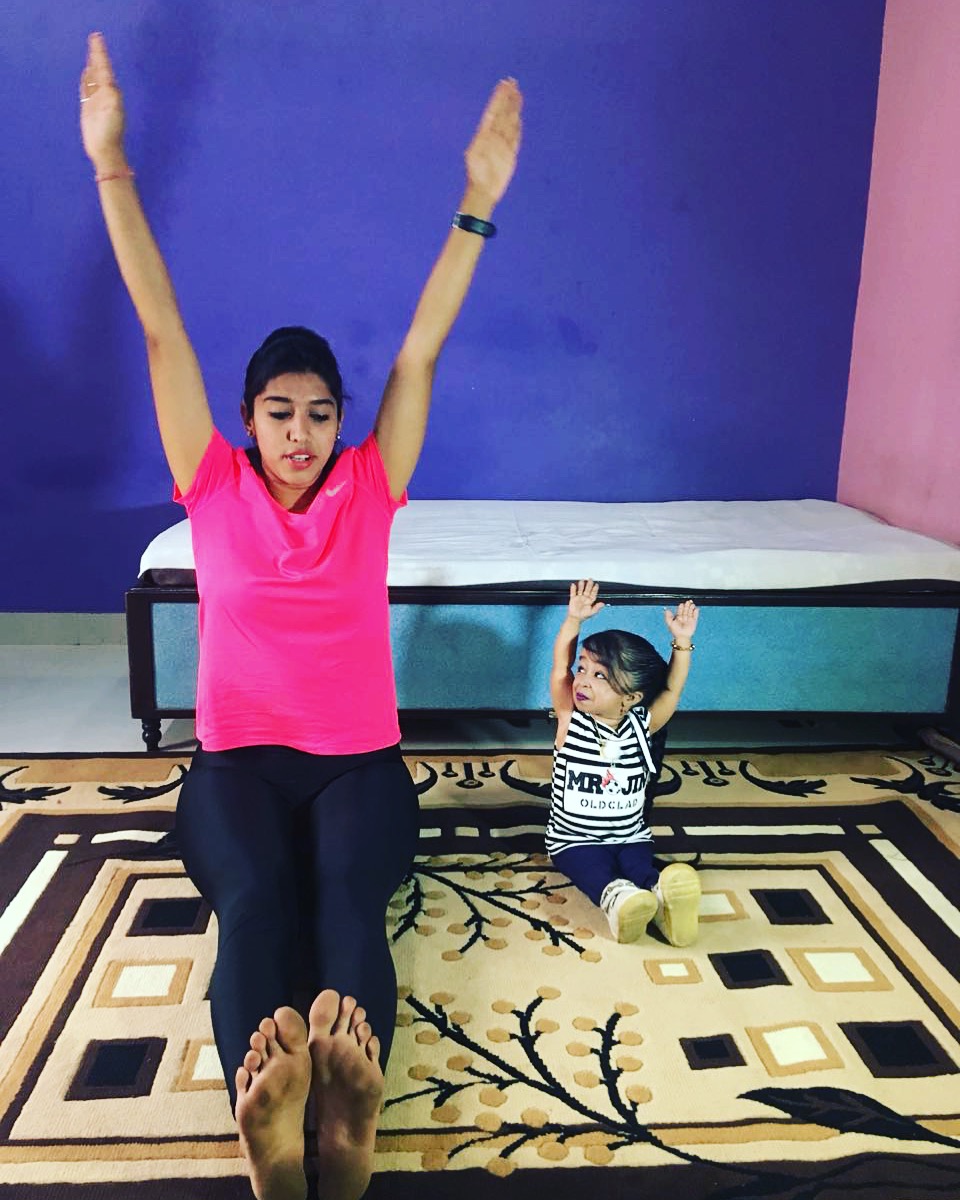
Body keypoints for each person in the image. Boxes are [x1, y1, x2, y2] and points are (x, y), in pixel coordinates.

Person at [79, 31, 521, 1200]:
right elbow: (161, 325)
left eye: (319, 414)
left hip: (359, 769)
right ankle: (271, 1130)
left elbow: (422, 349)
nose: (300, 434)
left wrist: (475, 206)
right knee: (258, 902)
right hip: (234, 770)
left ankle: (348, 1127)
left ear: (337, 423)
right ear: (246, 418)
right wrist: (112, 167)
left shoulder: (371, 488)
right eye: (279, 413)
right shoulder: (212, 484)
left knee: (342, 905)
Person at [548, 579, 702, 946]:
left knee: (640, 866)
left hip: (630, 834)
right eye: (584, 668)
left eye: (600, 676)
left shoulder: (642, 726)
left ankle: (663, 896)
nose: (582, 680)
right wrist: (573, 621)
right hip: (574, 839)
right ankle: (619, 901)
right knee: (594, 870)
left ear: (632, 697)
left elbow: (671, 689)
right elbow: (559, 669)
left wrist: (681, 643)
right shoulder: (571, 720)